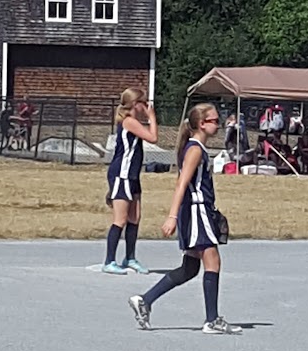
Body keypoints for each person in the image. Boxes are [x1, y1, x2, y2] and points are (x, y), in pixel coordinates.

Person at [128, 102, 241, 335]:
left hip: (199, 211)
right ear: (201, 124)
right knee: (213, 262)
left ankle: (145, 300)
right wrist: (172, 216)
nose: (218, 125)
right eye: (214, 121)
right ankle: (212, 320)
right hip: (197, 211)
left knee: (190, 268)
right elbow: (181, 184)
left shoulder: (196, 147)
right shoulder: (195, 149)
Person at [102, 86, 158, 274]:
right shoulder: (129, 122)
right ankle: (109, 261)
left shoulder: (133, 122)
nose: (147, 106)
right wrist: (152, 117)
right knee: (121, 219)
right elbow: (153, 137)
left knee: (135, 217)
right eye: (144, 102)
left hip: (133, 175)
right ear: (136, 104)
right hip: (121, 174)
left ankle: (130, 257)